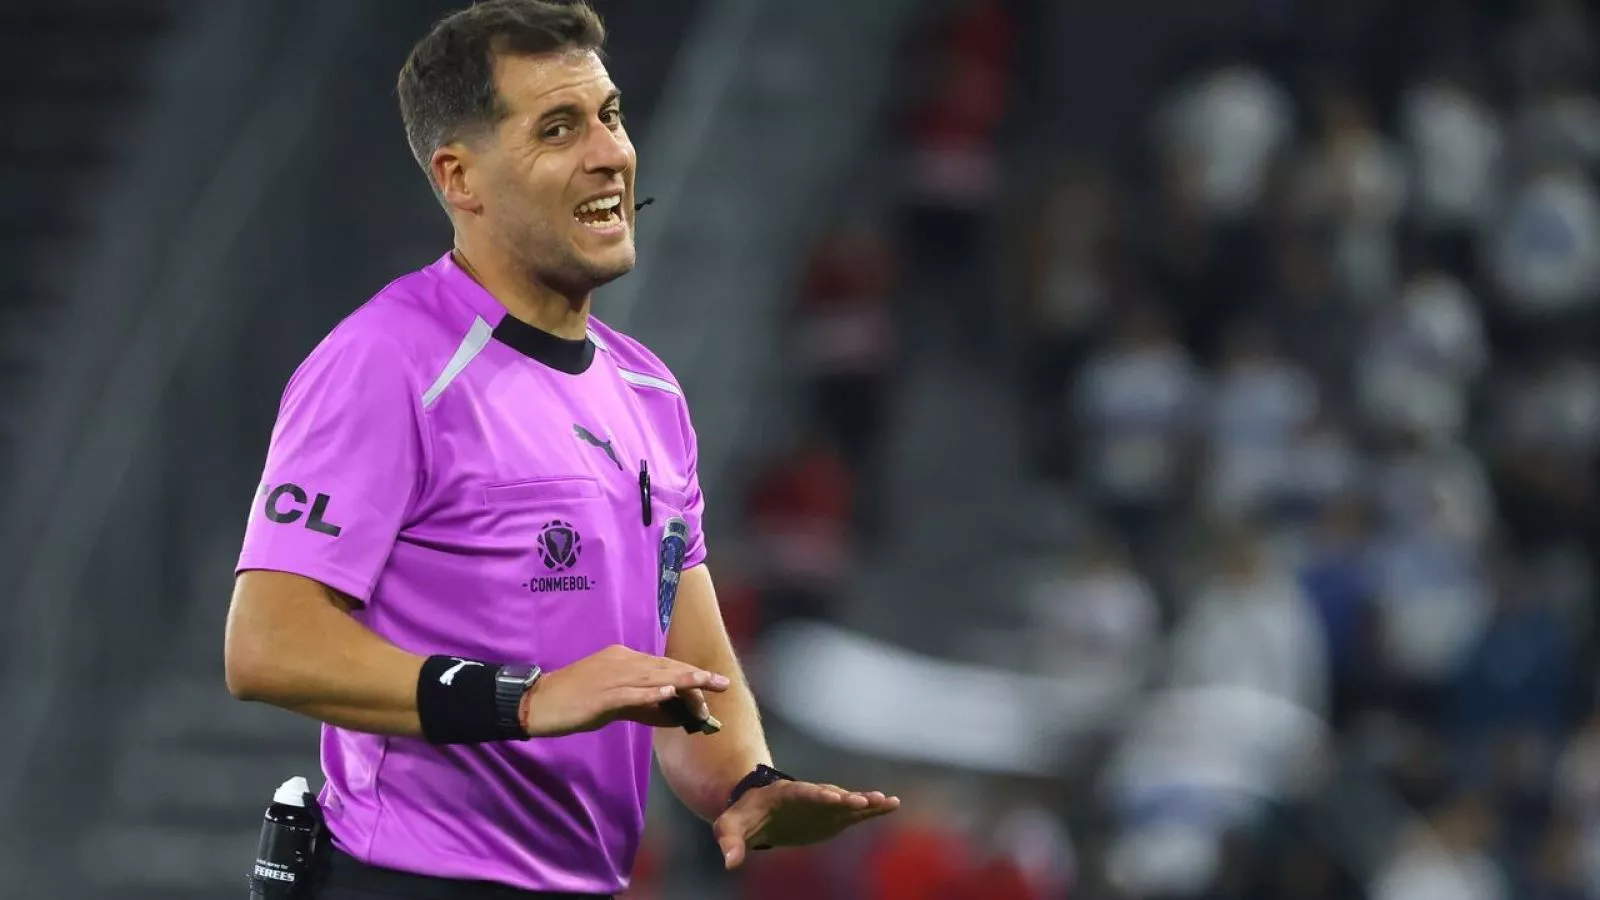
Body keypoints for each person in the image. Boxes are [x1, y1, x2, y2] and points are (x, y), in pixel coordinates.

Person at [222, 2, 899, 898]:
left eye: (610, 115)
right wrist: (526, 697)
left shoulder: (650, 392)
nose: (610, 152)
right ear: (461, 178)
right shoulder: (385, 363)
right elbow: (267, 644)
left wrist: (747, 786)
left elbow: (689, 678)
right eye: (558, 128)